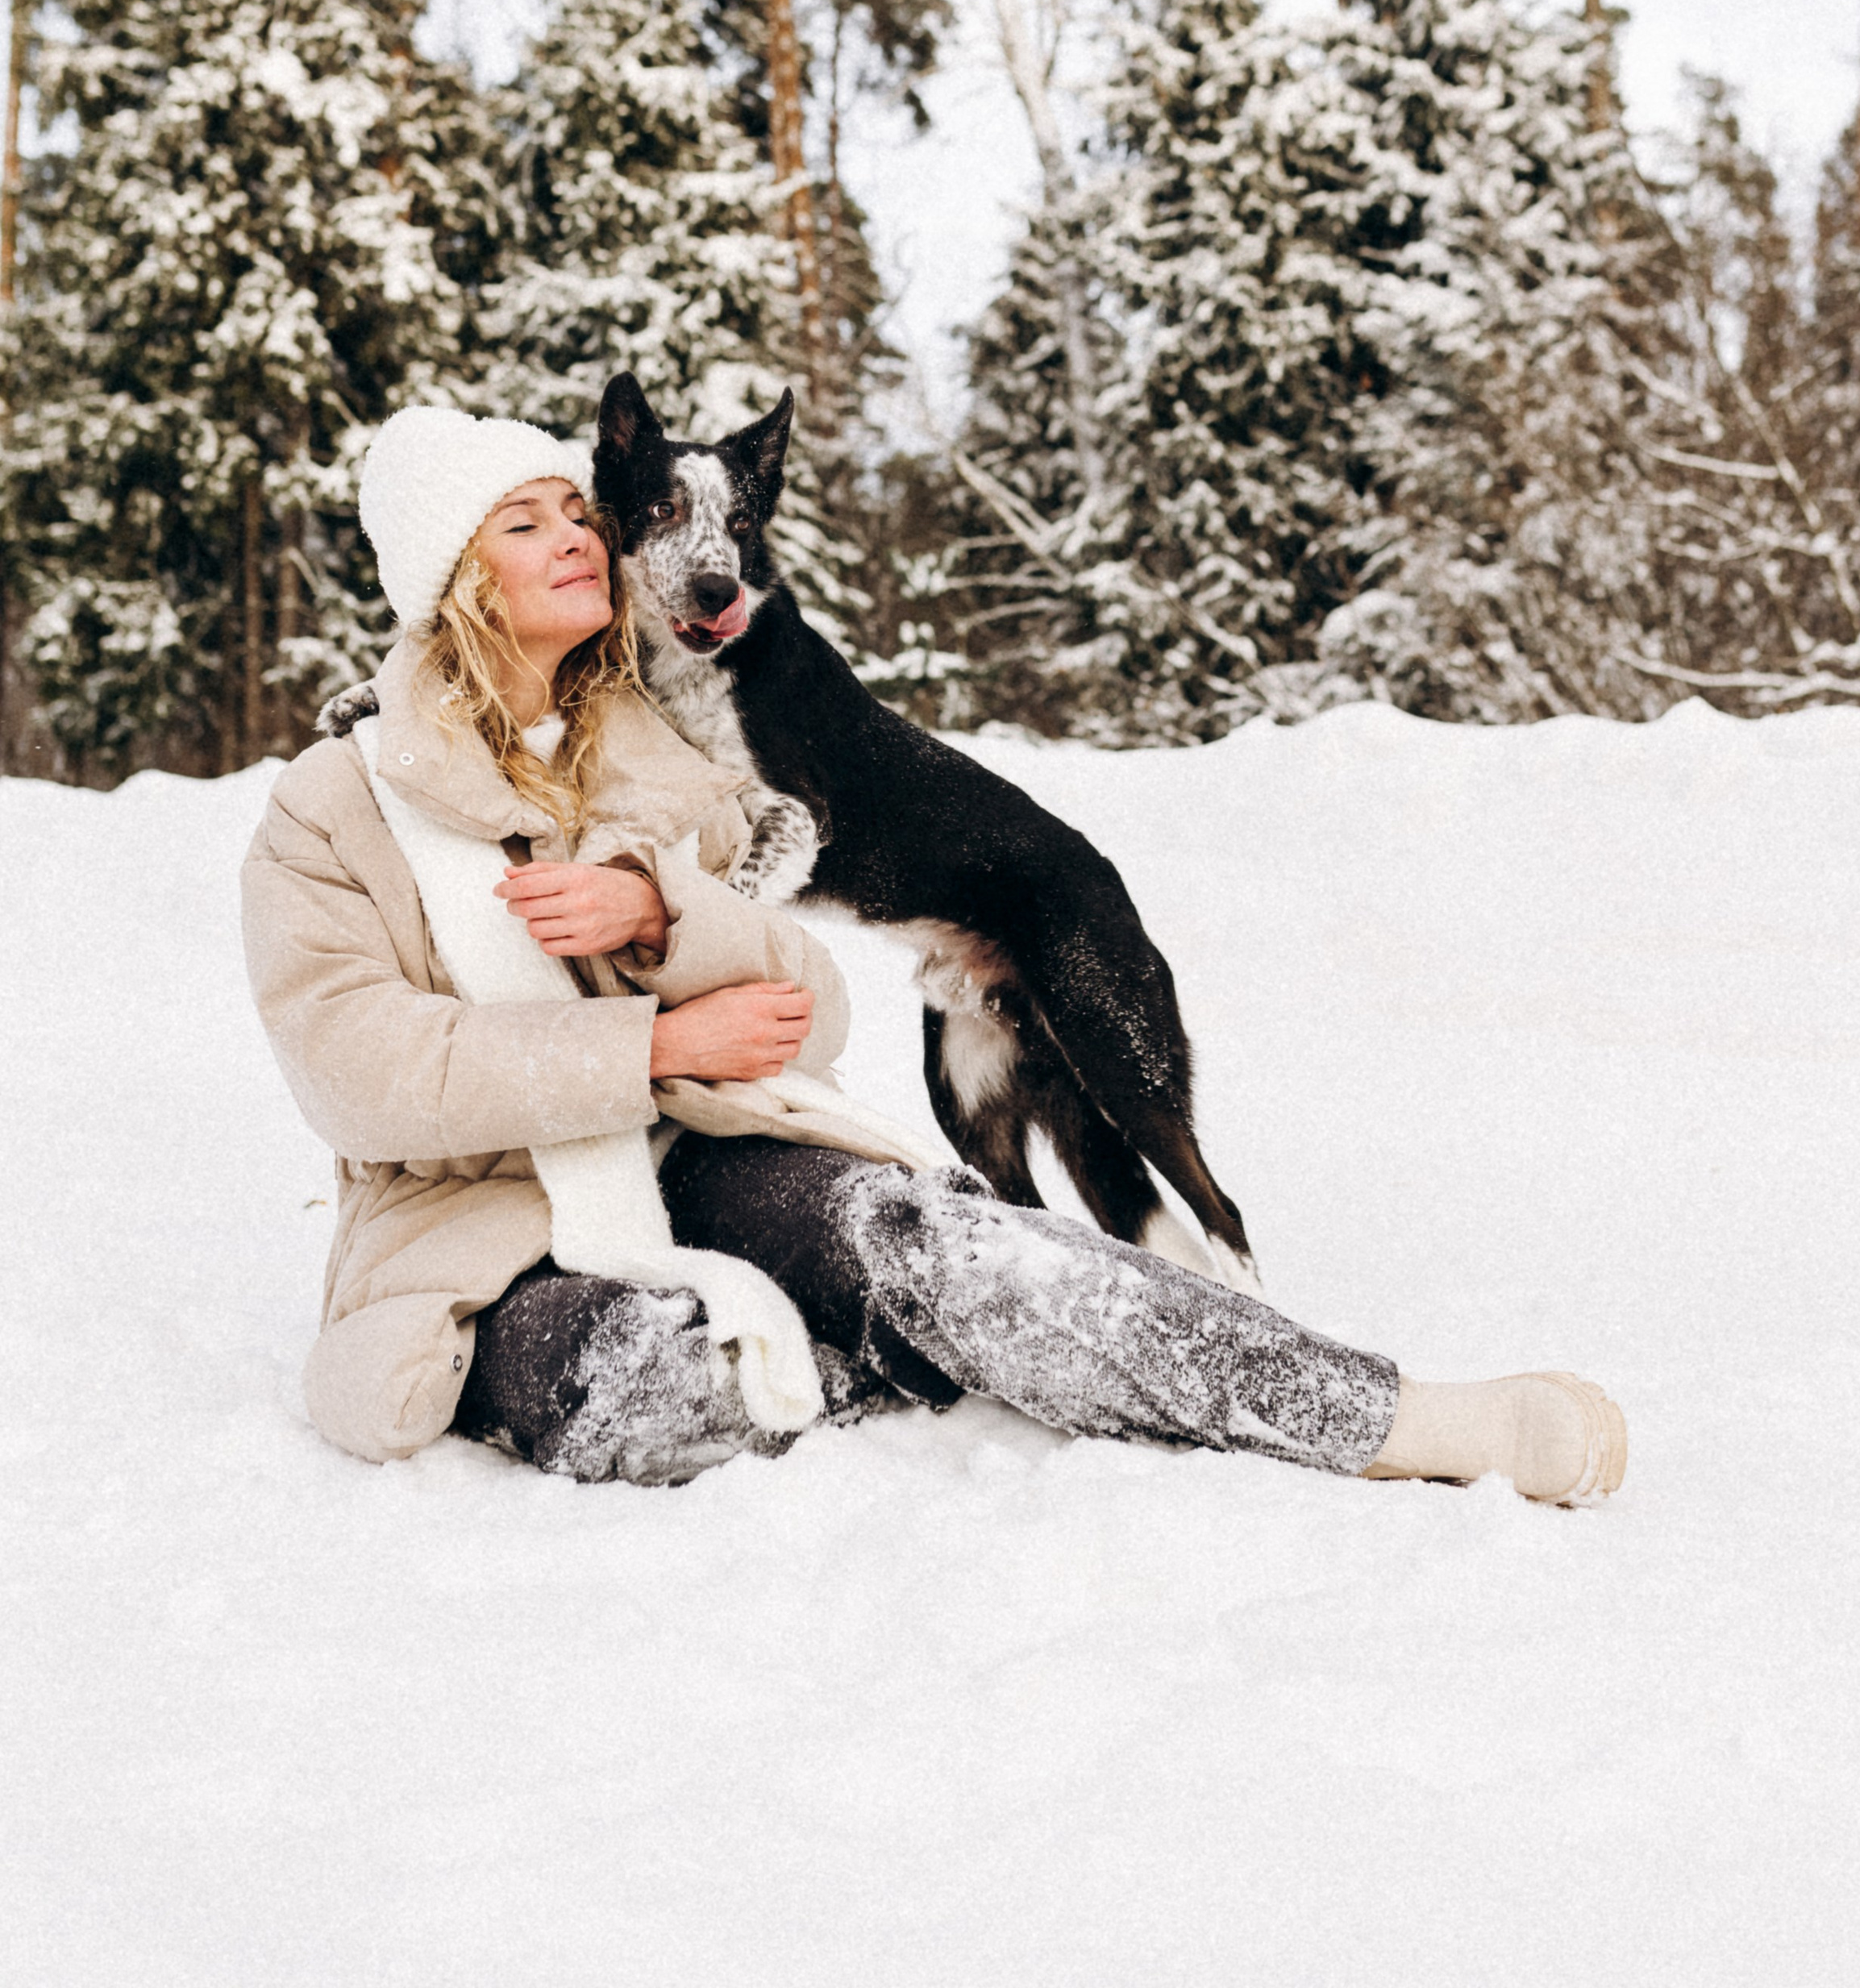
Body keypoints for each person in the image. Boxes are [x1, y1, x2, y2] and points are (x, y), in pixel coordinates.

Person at [243, 406, 1627, 1503]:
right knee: (651, 1381)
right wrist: (651, 1046)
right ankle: (893, 1345)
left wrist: (669, 920)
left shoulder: (663, 762)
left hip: (705, 1165)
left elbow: (817, 1002)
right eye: (522, 521)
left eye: (575, 513)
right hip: (487, 1237)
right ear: (445, 578)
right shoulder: (334, 805)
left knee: (950, 1239)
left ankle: (1395, 1417)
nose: (581, 540)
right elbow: (363, 1075)